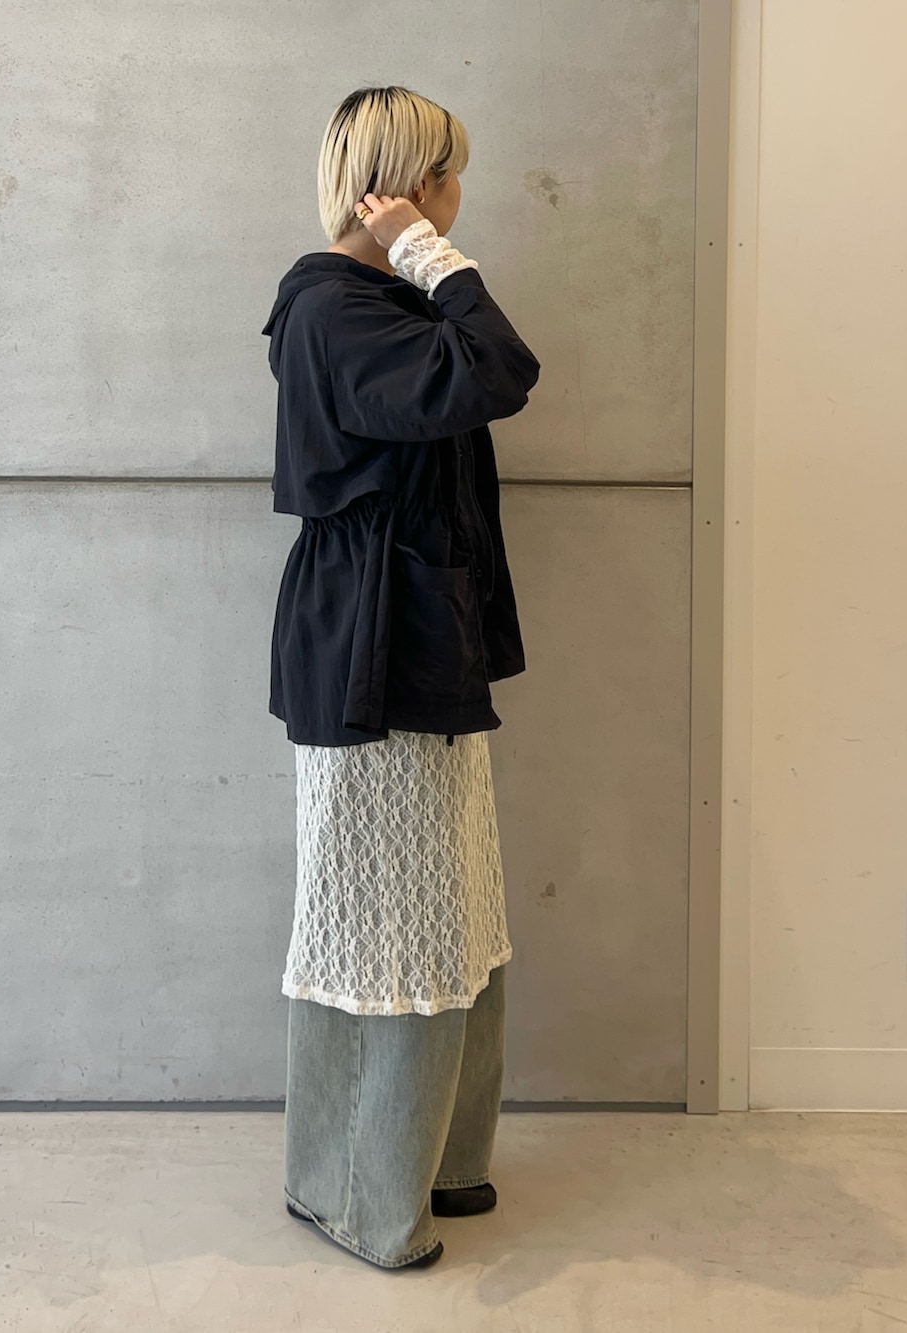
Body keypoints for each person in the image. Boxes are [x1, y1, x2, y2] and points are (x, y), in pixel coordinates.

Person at [260, 85, 540, 1271]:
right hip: (372, 646)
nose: (457, 196)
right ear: (408, 185)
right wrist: (430, 253)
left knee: (447, 903)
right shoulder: (335, 307)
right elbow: (501, 368)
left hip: (412, 632)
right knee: (383, 919)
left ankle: (431, 1161)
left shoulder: (379, 306)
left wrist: (418, 263)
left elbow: (479, 375)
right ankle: (356, 1193)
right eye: (447, 176)